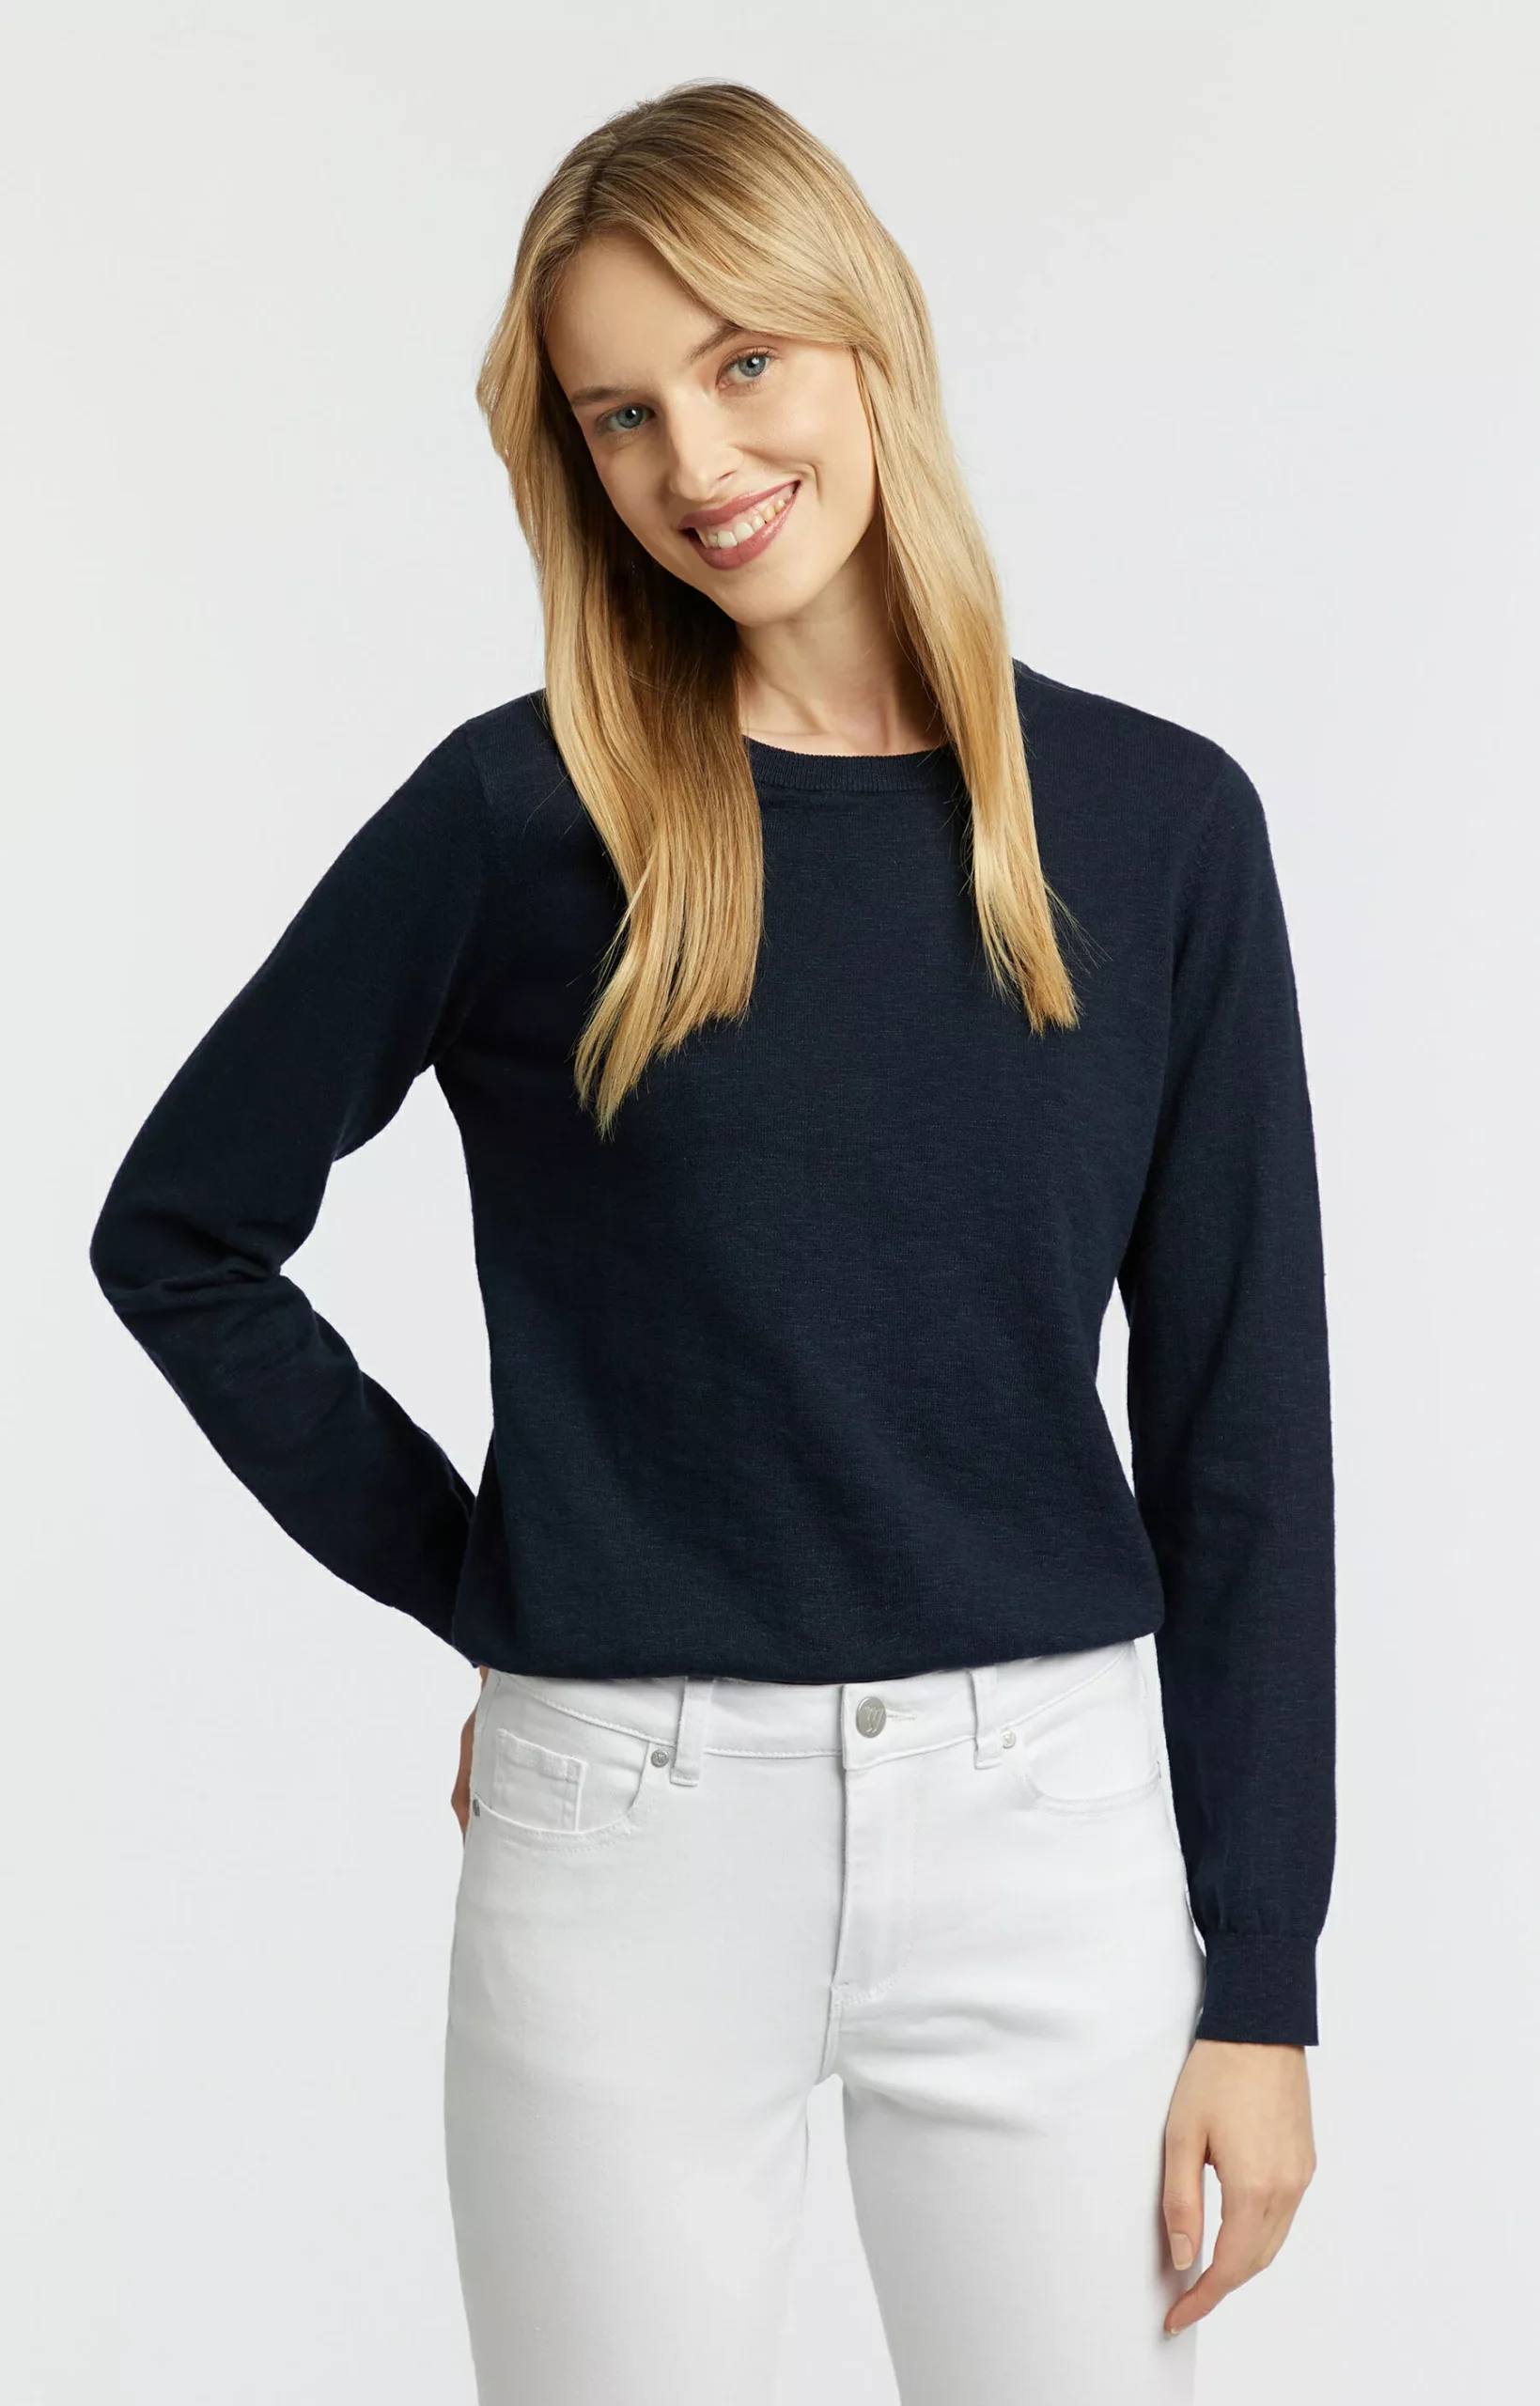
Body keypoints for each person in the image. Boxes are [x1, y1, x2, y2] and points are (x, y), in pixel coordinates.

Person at [88, 78, 1333, 2406]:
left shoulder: (1160, 827)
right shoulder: (520, 815)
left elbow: (1242, 1437)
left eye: (744, 360)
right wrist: (488, 1574)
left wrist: (1262, 1974)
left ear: (869, 333)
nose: (699, 457)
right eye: (622, 412)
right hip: (625, 1838)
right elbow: (181, 1231)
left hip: (1051, 1831)